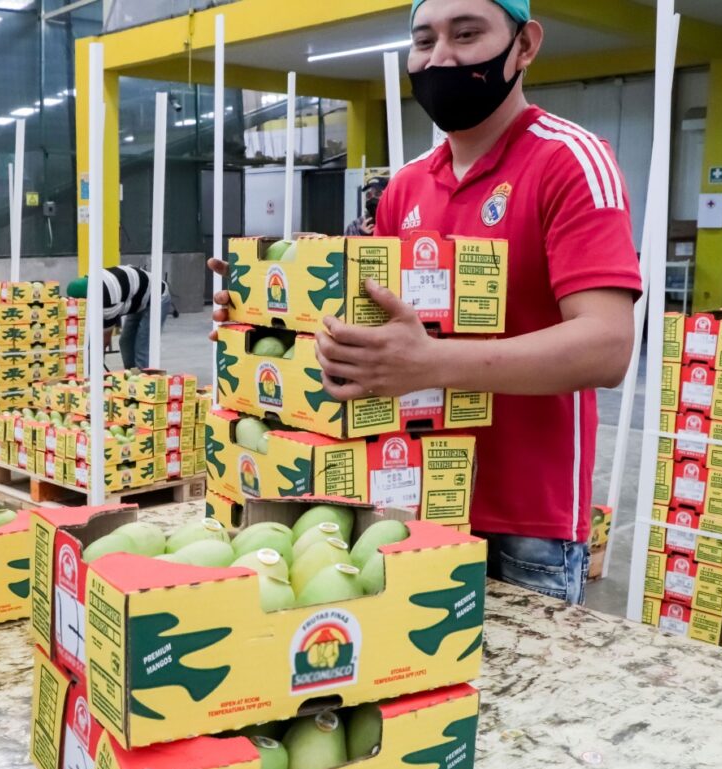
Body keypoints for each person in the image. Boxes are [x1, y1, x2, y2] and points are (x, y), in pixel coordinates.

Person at [211, 0, 640, 606]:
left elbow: (607, 346)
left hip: (524, 523)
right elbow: (383, 333)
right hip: (403, 502)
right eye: (423, 40)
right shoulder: (406, 184)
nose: (441, 57)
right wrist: (276, 314)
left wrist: (431, 363)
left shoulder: (569, 160)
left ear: (524, 45)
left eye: (466, 34)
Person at [68, 266, 174, 370]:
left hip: (157, 296)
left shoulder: (108, 299)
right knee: (126, 342)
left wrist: (93, 367)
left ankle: (144, 377)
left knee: (143, 343)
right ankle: (132, 373)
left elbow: (104, 340)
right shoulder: (90, 281)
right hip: (137, 296)